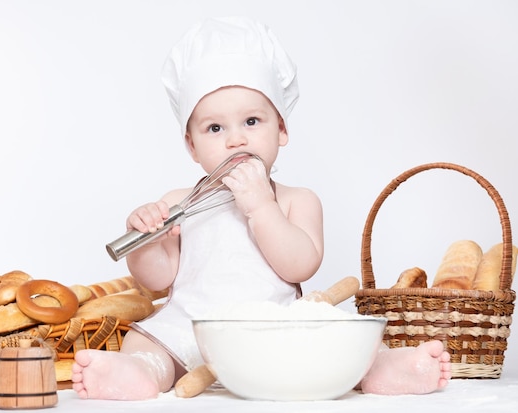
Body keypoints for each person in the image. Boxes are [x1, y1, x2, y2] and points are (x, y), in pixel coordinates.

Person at [71, 16, 451, 400]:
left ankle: (383, 369)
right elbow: (157, 278)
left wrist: (261, 206)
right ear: (191, 146)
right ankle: (140, 372)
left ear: (281, 130)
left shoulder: (296, 200)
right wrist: (148, 241)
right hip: (193, 328)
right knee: (147, 343)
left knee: (342, 336)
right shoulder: (176, 202)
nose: (236, 139)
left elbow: (300, 265)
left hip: (279, 330)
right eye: (215, 129)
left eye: (251, 121)